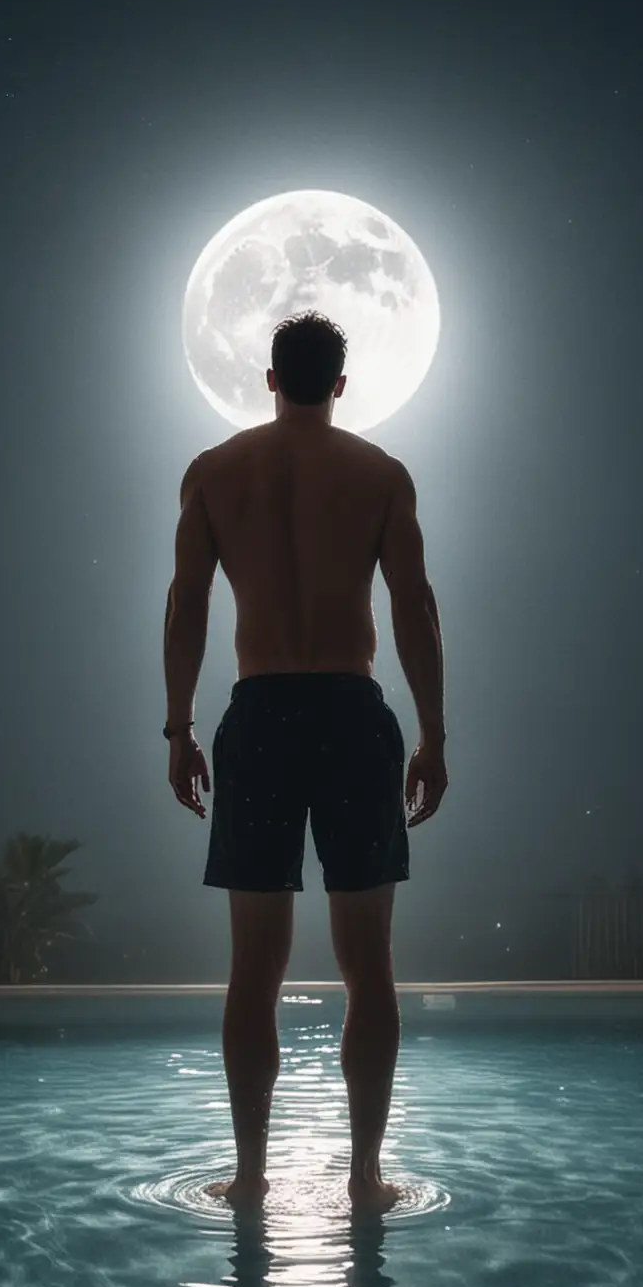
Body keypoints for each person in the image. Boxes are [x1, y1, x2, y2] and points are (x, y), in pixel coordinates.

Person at [162, 311, 447, 1211]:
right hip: (354, 715)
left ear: (270, 378)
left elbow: (187, 606)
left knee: (255, 965)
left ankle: (250, 1177)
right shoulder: (379, 475)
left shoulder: (214, 473)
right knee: (369, 963)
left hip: (260, 716)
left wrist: (178, 727)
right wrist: (436, 735)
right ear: (342, 383)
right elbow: (413, 606)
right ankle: (364, 1178)